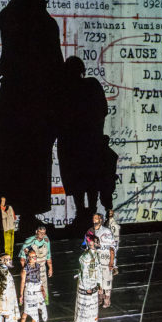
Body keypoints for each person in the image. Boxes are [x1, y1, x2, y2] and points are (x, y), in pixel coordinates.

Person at [0, 0, 64, 232]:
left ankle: (23, 214)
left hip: (21, 98)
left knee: (24, 156)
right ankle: (19, 215)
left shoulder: (17, 12)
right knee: (26, 155)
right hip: (30, 99)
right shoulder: (36, 19)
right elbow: (51, 67)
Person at [57, 56, 116, 228]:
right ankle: (89, 210)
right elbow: (103, 111)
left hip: (75, 143)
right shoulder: (91, 86)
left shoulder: (66, 90)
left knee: (79, 179)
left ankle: (83, 211)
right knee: (89, 179)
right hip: (90, 140)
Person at [74, 234, 102, 322]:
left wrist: (99, 285)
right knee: (83, 307)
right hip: (86, 286)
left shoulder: (96, 254)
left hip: (93, 284)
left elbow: (98, 270)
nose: (98, 243)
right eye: (96, 242)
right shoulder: (85, 257)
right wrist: (87, 287)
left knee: (92, 308)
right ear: (91, 243)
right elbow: (84, 273)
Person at [87, 212, 117, 308]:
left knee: (107, 280)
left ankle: (107, 300)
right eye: (93, 218)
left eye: (96, 218)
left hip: (106, 260)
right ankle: (99, 297)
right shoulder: (90, 231)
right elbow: (85, 246)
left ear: (101, 220)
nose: (94, 219)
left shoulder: (106, 232)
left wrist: (112, 262)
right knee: (97, 280)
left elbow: (112, 248)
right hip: (95, 260)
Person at [18, 246, 47, 322]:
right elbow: (22, 282)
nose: (33, 259)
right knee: (27, 310)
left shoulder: (38, 266)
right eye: (31, 257)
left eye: (35, 257)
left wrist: (42, 290)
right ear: (28, 258)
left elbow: (39, 279)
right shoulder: (25, 269)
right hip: (29, 290)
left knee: (37, 308)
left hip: (37, 289)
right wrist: (21, 295)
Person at [19, 225, 53, 302]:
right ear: (36, 232)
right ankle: (25, 301)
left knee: (43, 286)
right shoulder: (29, 242)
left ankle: (44, 302)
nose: (42, 235)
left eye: (43, 233)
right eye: (40, 232)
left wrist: (50, 268)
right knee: (31, 286)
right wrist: (25, 269)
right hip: (32, 268)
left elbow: (48, 255)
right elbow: (22, 258)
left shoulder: (46, 240)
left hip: (42, 267)